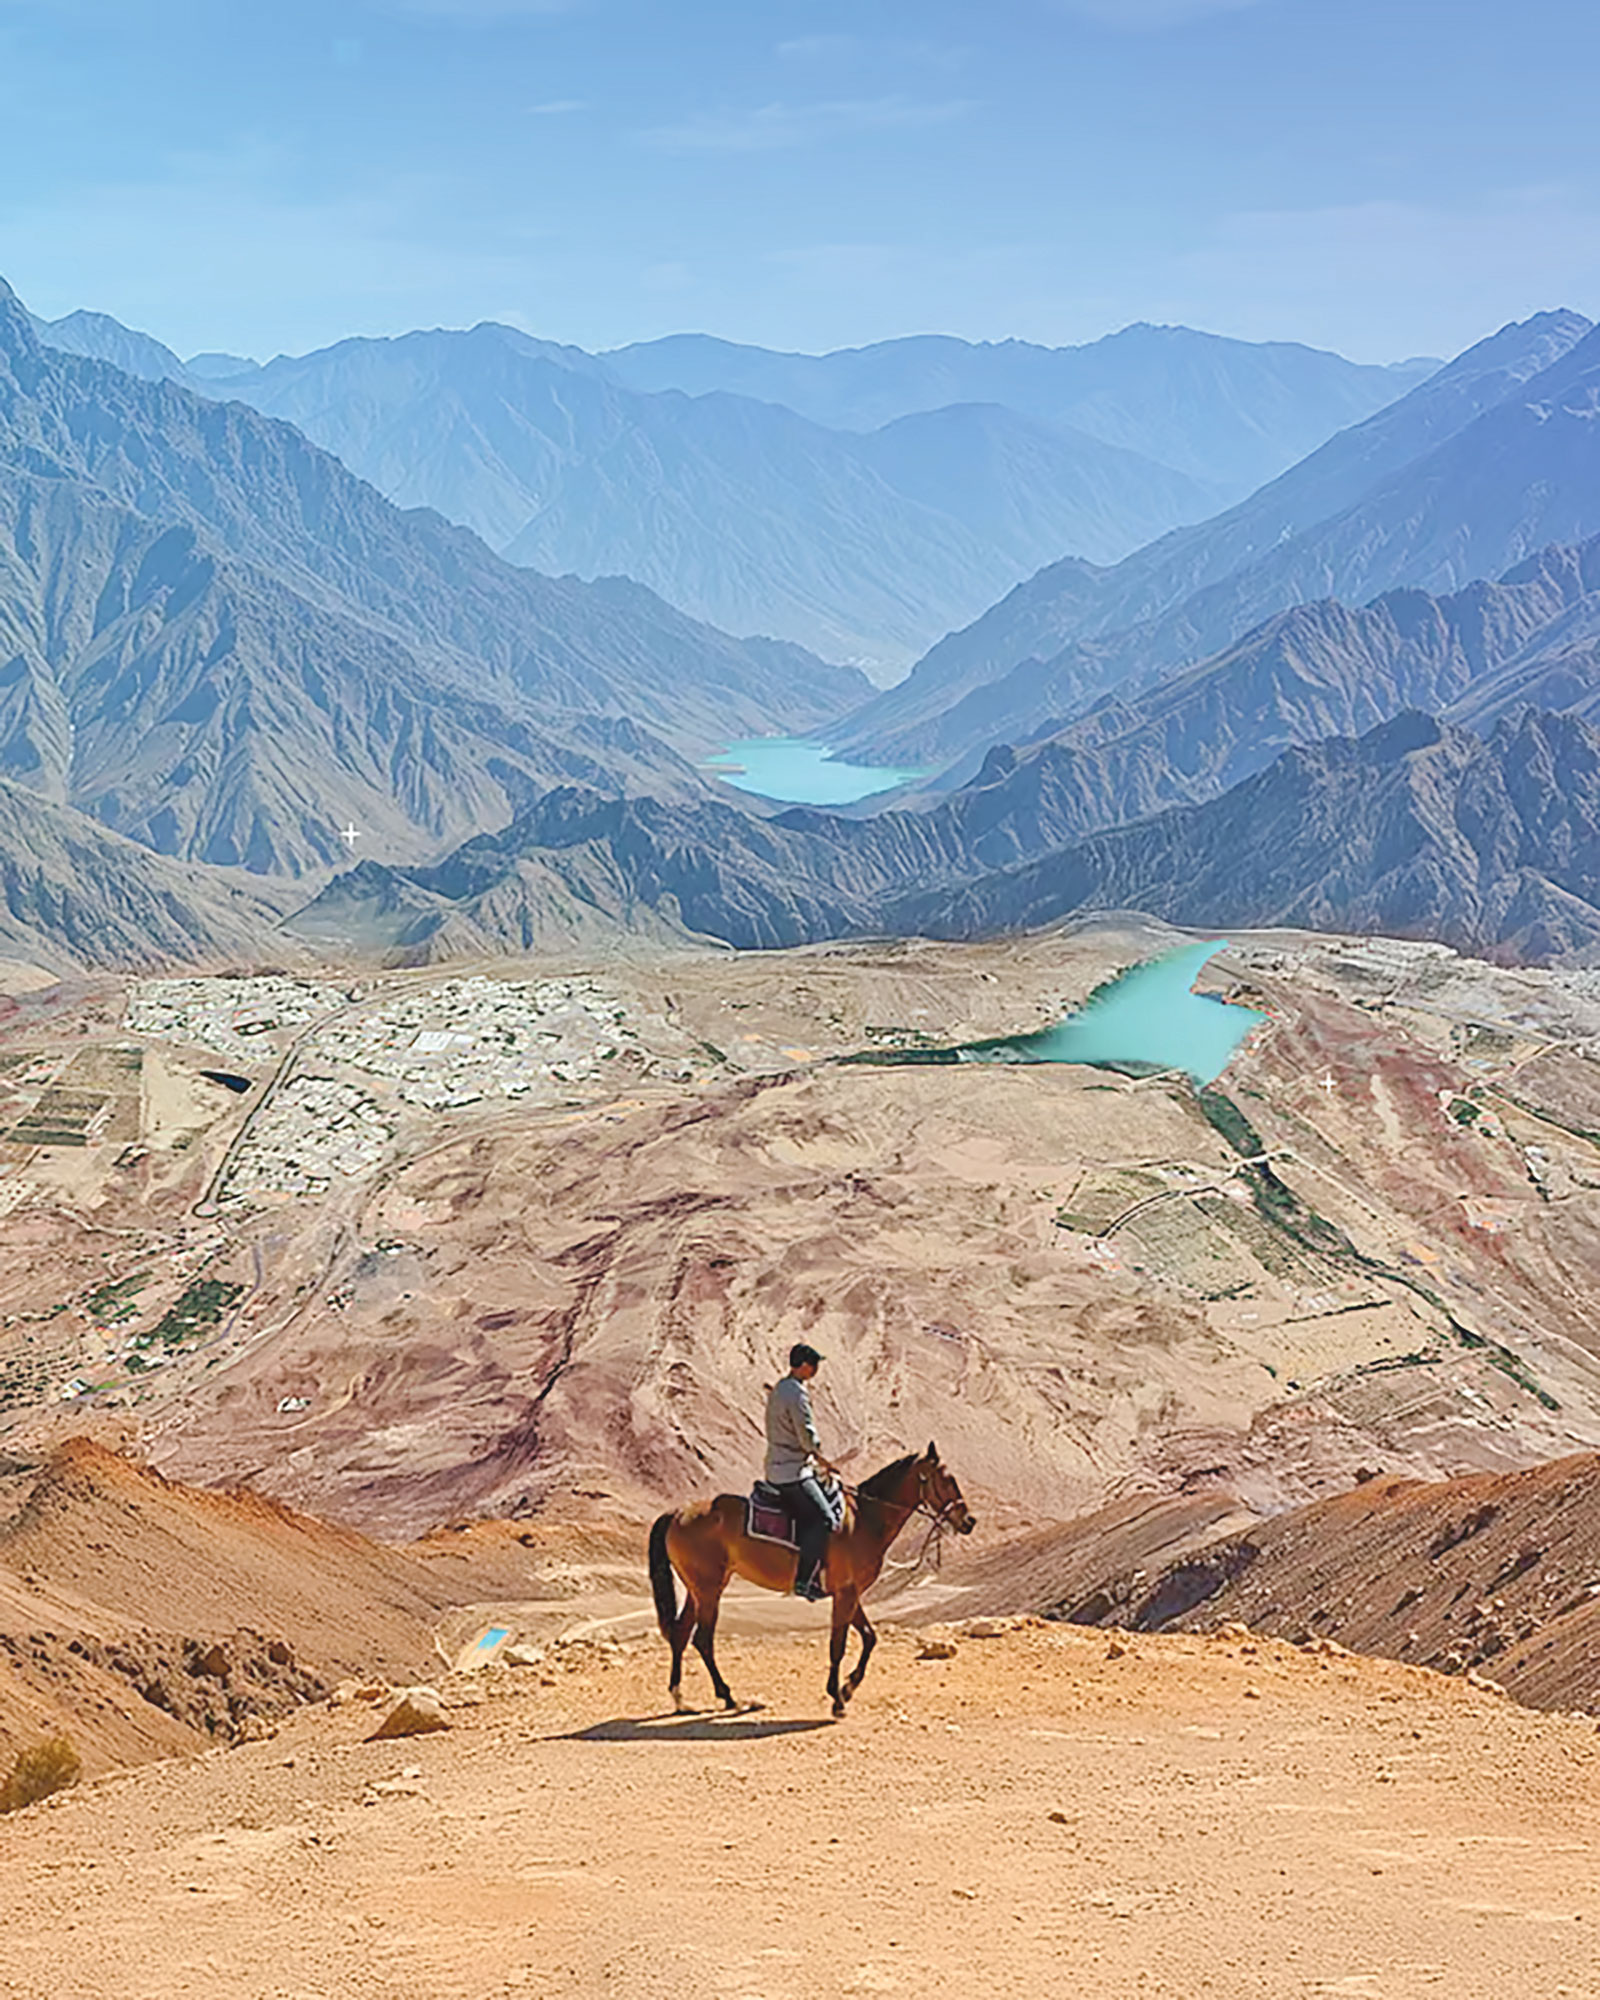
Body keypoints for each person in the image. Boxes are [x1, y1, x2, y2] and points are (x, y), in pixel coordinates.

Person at [764, 1342, 837, 1600]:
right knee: (824, 1519)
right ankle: (806, 1582)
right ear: (805, 1365)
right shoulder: (796, 1393)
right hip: (792, 1471)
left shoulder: (780, 1388)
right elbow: (806, 1437)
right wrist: (823, 1459)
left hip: (777, 1464)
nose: (816, 1369)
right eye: (814, 1364)